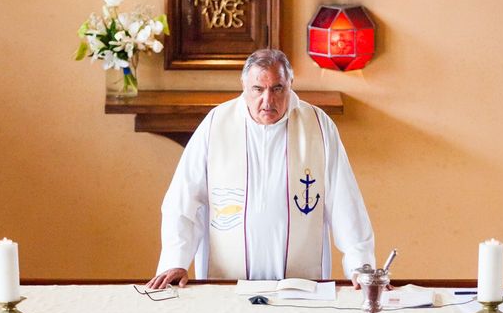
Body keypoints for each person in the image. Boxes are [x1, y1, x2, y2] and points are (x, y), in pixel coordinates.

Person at [146, 49, 374, 289]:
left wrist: (360, 265)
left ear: (290, 85)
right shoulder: (216, 124)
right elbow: (182, 201)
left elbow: (345, 202)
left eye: (277, 88)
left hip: (300, 285)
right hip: (227, 283)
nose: (268, 100)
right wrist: (175, 260)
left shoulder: (317, 126)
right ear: (244, 85)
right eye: (258, 89)